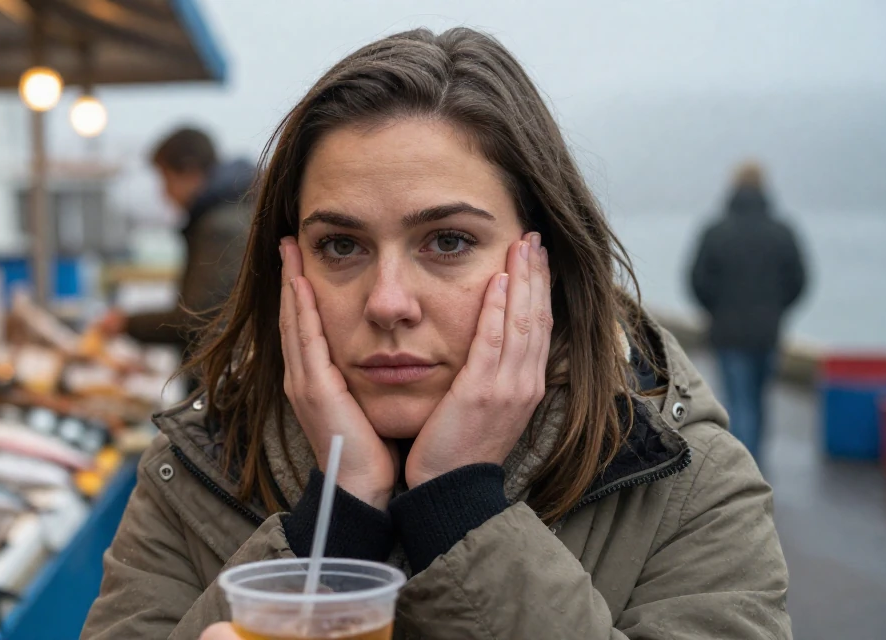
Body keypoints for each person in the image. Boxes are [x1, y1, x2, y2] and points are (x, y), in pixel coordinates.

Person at [82, 28, 790, 640]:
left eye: (448, 241)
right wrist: (334, 520)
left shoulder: (684, 483)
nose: (389, 303)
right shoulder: (194, 474)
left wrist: (461, 509)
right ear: (286, 264)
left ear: (546, 259)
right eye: (340, 246)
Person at [101, 127, 255, 365]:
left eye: (166, 178)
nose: (164, 193)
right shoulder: (229, 211)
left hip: (223, 378)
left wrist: (128, 323)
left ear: (190, 171)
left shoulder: (220, 227)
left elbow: (200, 317)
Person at [690, 162, 806, 462]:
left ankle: (743, 476)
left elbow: (697, 280)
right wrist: (777, 309)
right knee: (758, 403)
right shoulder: (782, 232)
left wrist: (715, 309)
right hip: (767, 333)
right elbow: (799, 280)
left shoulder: (715, 231)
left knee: (739, 404)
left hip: (728, 334)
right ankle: (755, 470)